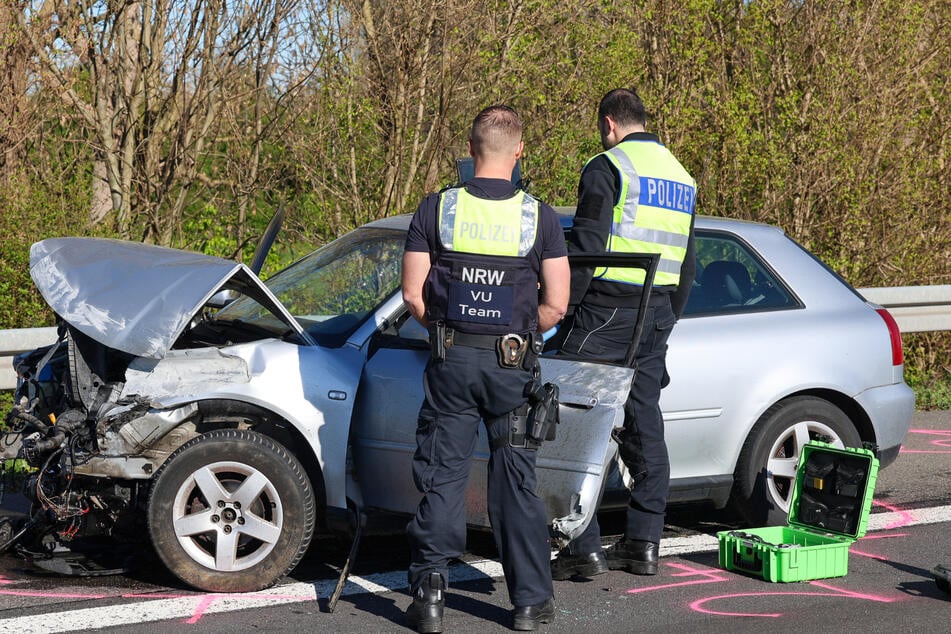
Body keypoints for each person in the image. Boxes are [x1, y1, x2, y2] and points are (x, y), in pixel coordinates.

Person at [401, 105, 570, 632]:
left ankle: (429, 595)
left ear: (471, 151)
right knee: (515, 480)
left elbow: (412, 294)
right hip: (511, 365)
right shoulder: (537, 216)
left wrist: (448, 331)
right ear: (518, 151)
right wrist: (518, 335)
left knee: (443, 473)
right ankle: (527, 603)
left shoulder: (437, 209)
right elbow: (558, 304)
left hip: (453, 358)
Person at [550, 88, 696, 581]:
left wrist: (564, 314)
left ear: (609, 123)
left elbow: (587, 249)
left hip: (608, 308)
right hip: (655, 311)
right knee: (643, 421)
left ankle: (581, 546)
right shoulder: (680, 175)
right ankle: (644, 543)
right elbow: (689, 263)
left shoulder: (607, 166)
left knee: (570, 412)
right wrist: (666, 317)